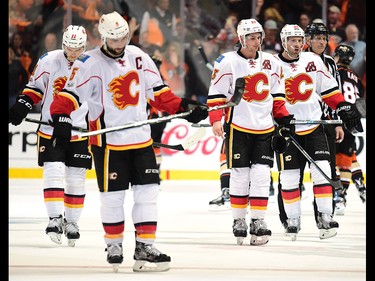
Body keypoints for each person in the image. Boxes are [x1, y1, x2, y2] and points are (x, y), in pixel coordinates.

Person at [48, 11, 207, 272]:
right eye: (115, 40)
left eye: (124, 37)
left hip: (141, 140)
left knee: (148, 194)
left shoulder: (139, 57)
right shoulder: (89, 62)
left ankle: (145, 246)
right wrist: (61, 119)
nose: (120, 44)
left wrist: (185, 107)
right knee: (113, 197)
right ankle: (114, 244)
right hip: (109, 144)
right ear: (104, 38)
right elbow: (69, 95)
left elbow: (158, 94)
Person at [206, 18, 295, 246]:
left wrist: (284, 118)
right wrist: (216, 120)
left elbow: (277, 95)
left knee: (262, 175)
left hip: (265, 128)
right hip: (238, 127)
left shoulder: (271, 63)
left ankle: (258, 220)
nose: (257, 42)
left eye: (258, 37)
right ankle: (238, 220)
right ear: (241, 39)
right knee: (240, 174)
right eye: (252, 38)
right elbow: (216, 94)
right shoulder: (227, 62)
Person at [274, 24, 362, 241]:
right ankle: (291, 219)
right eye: (292, 40)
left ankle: (324, 216)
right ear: (284, 41)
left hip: (317, 126)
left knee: (323, 171)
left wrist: (342, 108)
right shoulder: (273, 64)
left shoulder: (314, 61)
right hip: (288, 130)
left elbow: (330, 91)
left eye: (298, 40)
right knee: (289, 177)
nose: (296, 44)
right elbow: (268, 97)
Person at [8, 25, 91, 247]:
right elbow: (35, 87)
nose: (72, 53)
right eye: (69, 48)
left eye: (78, 49)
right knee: (53, 171)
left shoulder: (92, 64)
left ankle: (72, 222)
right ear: (63, 43)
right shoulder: (48, 60)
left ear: (85, 46)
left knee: (76, 178)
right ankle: (55, 218)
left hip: (79, 129)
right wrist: (23, 104)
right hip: (50, 128)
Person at [332, 44, 366, 215]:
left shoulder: (332, 72)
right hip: (352, 119)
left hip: (337, 116)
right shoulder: (357, 78)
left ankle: (340, 196)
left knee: (340, 160)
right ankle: (360, 185)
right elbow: (360, 102)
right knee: (347, 155)